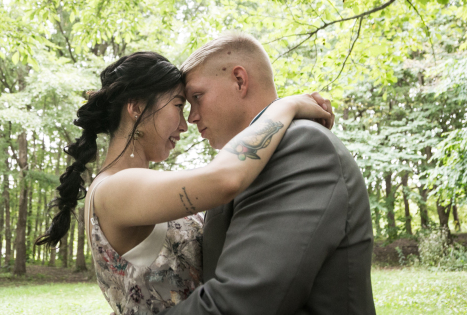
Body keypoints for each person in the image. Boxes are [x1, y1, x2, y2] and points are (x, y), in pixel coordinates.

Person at [35, 51, 333, 315]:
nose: (185, 123)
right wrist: (286, 106)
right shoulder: (116, 188)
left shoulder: (131, 185)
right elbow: (225, 179)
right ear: (136, 107)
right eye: (178, 105)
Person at [162, 32, 376, 315]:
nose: (191, 117)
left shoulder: (301, 146)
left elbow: (242, 301)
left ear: (240, 80)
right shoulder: (242, 165)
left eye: (197, 97)